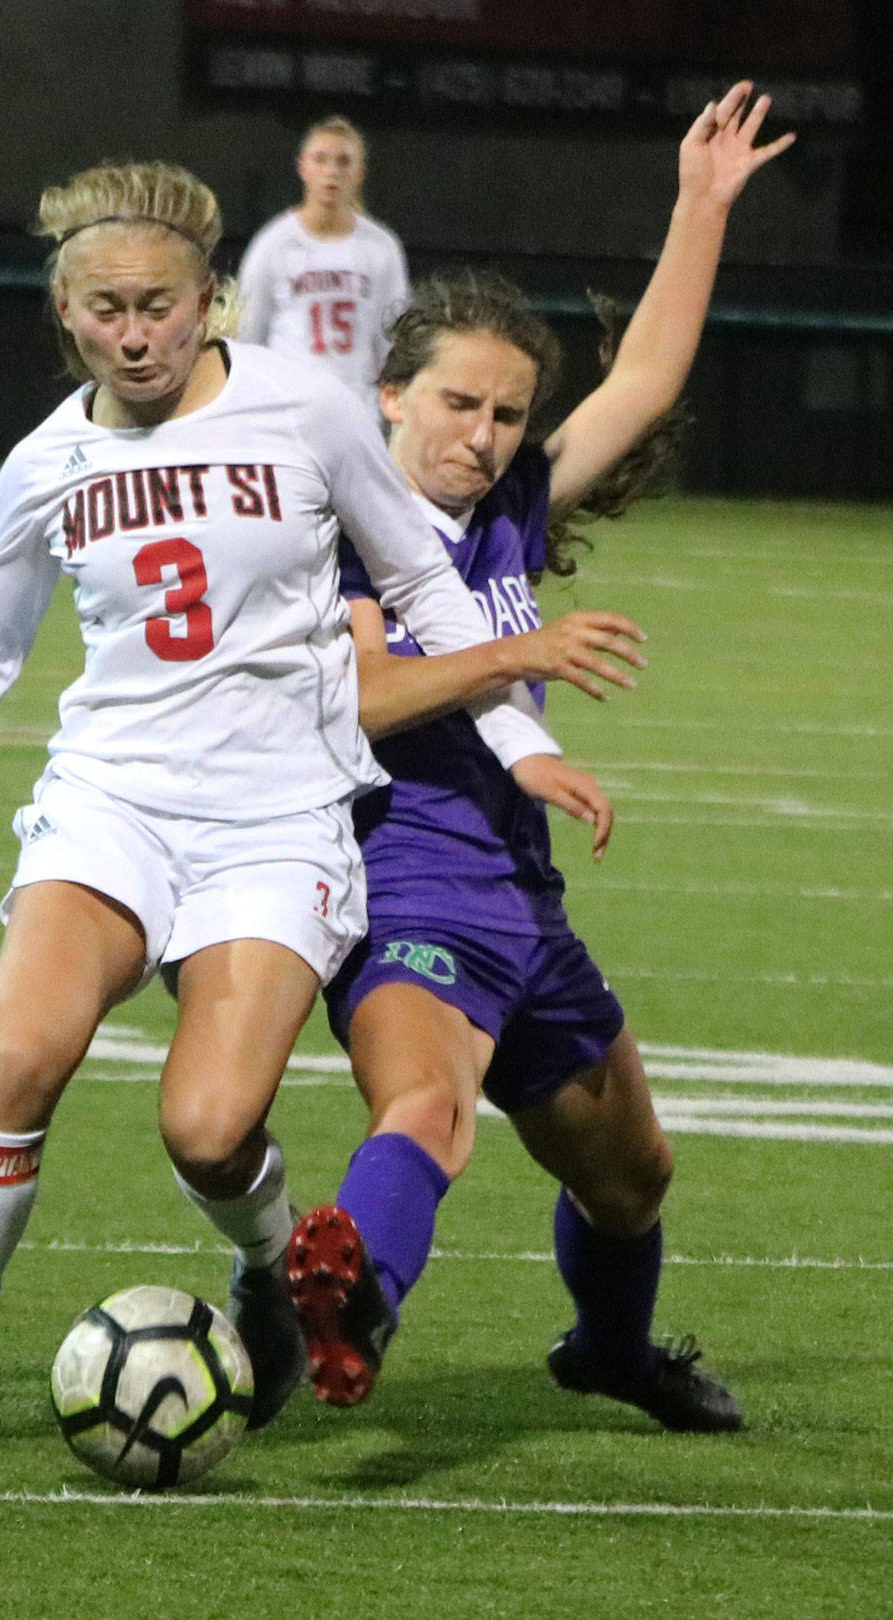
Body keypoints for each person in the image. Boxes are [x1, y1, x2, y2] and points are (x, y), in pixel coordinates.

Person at [0, 158, 628, 1450]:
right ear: (65, 313)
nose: (136, 334)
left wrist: (518, 744)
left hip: (279, 818)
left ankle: (268, 1273)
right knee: (21, 1058)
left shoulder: (305, 411)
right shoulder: (47, 461)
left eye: (162, 305)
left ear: (210, 302)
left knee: (207, 1127)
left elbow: (423, 580)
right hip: (112, 799)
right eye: (106, 309)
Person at [285, 83, 795, 1430]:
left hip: (525, 895)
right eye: (459, 403)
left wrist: (700, 208)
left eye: (509, 416)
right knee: (428, 1108)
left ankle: (610, 1352)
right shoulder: (340, 526)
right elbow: (354, 699)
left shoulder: (506, 509)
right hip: (403, 877)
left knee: (632, 1178)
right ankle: (346, 1302)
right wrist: (516, 658)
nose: (485, 437)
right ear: (387, 393)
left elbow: (645, 381)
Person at [236, 115, 409, 410]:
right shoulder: (273, 244)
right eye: (321, 159)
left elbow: (393, 342)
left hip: (358, 408)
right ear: (303, 166)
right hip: (289, 409)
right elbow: (247, 337)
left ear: (360, 173)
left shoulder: (381, 248)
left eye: (343, 162)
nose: (331, 172)